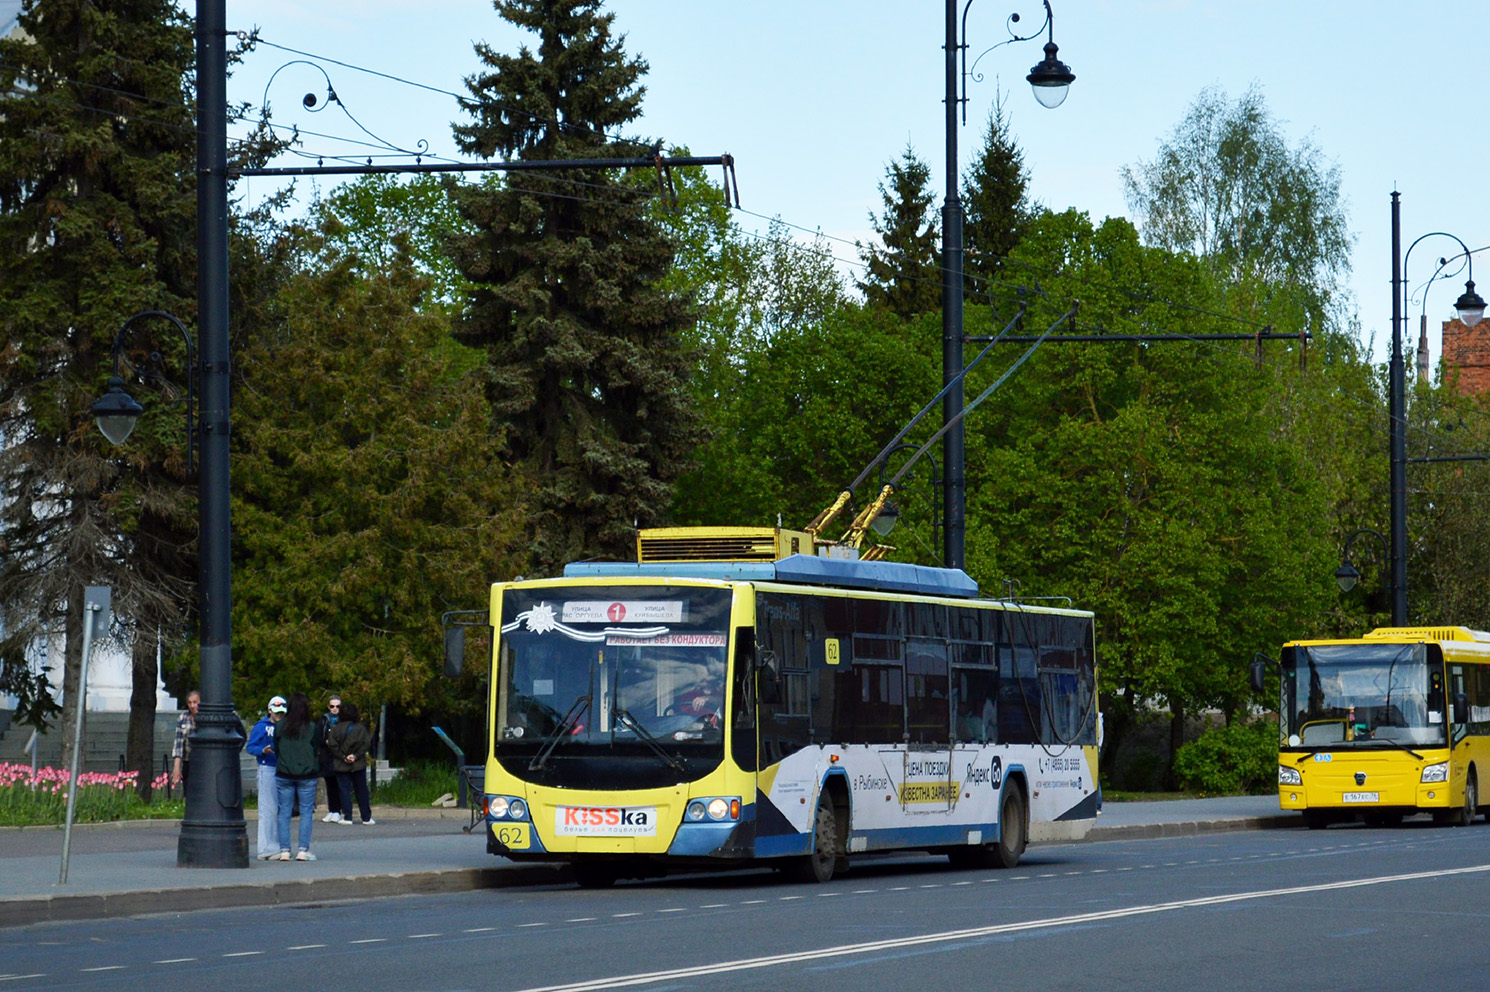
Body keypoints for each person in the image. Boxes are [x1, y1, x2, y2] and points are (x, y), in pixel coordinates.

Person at [273, 692, 320, 861]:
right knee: (306, 811)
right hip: (307, 774)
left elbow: (276, 747)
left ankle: (285, 850)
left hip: (284, 772)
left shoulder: (281, 726)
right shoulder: (312, 727)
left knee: (284, 812)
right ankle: (302, 849)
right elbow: (316, 748)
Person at [245, 696, 286, 860]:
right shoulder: (261, 727)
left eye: (282, 713)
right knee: (267, 809)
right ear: (270, 711)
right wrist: (263, 750)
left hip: (282, 769)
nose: (279, 716)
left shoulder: (285, 727)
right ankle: (265, 848)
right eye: (276, 713)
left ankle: (277, 845)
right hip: (267, 768)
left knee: (279, 810)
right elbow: (251, 747)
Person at [328, 702, 374, 825]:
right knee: (362, 790)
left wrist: (343, 757)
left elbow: (332, 745)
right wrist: (356, 755)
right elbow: (366, 744)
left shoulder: (336, 729)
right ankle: (366, 817)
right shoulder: (360, 728)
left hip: (341, 764)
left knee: (344, 790)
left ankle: (347, 816)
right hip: (358, 763)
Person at [315, 695, 344, 823]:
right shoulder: (324, 720)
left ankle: (338, 810)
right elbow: (317, 737)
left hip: (339, 755)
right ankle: (332, 810)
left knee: (339, 784)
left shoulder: (343, 721)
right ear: (328, 707)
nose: (335, 709)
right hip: (326, 755)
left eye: (338, 706)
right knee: (330, 784)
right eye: (332, 706)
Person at [170, 689, 200, 790]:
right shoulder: (183, 717)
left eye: (195, 702)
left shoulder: (207, 717)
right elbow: (178, 744)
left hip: (202, 761)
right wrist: (176, 767)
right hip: (188, 760)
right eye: (190, 703)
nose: (192, 706)